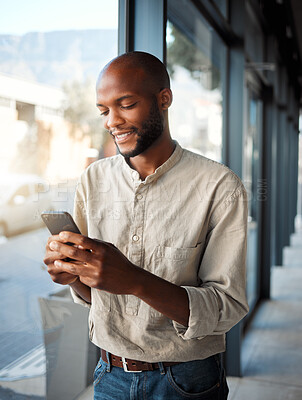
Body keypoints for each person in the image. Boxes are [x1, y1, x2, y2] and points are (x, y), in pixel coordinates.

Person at [44, 51, 249, 399]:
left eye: (126, 104)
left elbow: (226, 306)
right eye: (104, 111)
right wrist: (73, 277)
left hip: (188, 381)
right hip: (109, 374)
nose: (112, 121)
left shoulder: (219, 185)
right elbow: (95, 297)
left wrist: (135, 281)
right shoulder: (93, 180)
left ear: (164, 99)